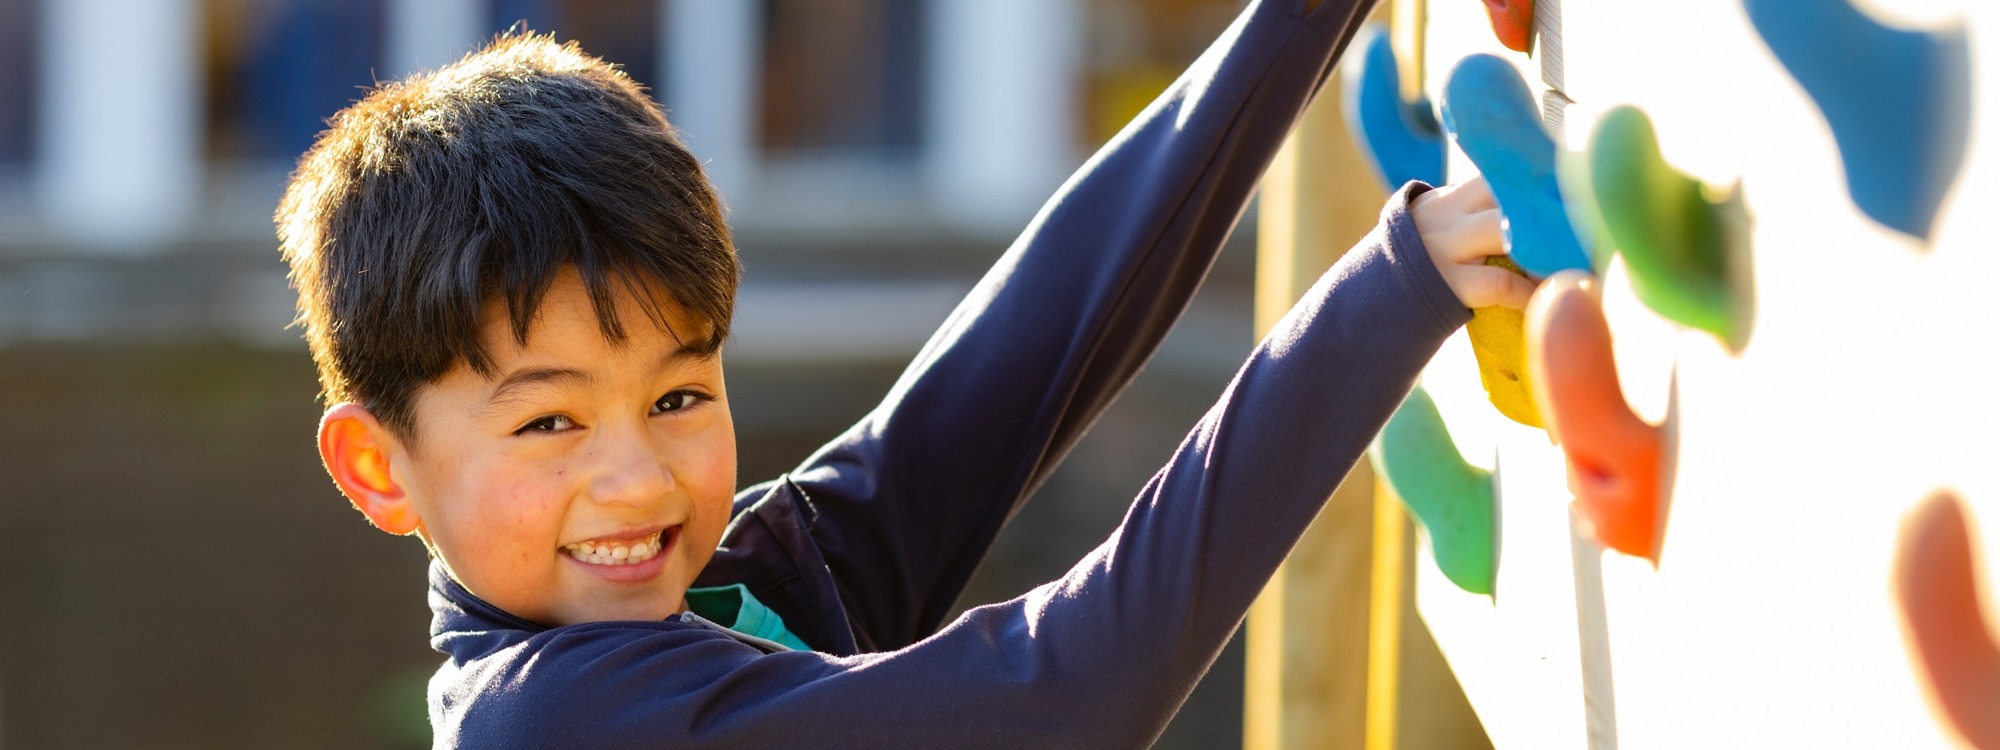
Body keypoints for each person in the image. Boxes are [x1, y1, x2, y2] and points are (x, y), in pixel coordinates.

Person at [276, 0, 1530, 746]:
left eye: (676, 396)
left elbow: (1029, 350)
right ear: (378, 467)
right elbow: (1068, 695)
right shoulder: (553, 722)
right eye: (550, 420)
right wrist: (1388, 291)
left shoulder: (718, 597)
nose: (634, 476)